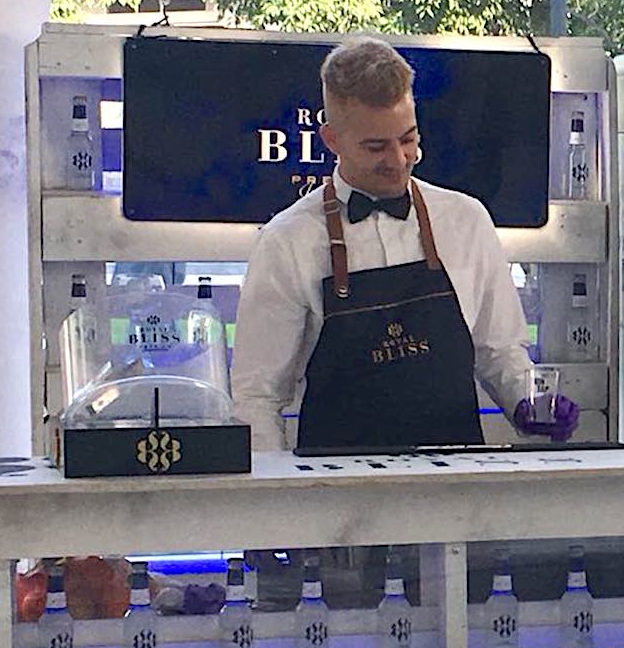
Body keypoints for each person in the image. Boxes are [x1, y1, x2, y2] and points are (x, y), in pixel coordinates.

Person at [231, 37, 574, 452]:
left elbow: (499, 351)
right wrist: (273, 484)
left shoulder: (466, 221)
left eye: (407, 139)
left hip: (458, 478)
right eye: (376, 146)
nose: (397, 160)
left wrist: (528, 404)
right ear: (331, 140)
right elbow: (258, 398)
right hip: (335, 484)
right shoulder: (287, 242)